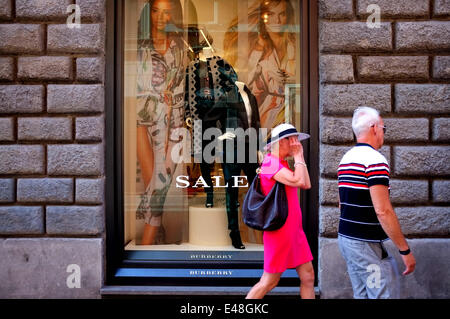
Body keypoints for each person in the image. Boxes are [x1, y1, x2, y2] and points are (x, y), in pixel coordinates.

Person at [337, 106, 416, 299]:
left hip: (347, 239)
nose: (383, 133)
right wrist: (404, 250)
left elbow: (342, 204)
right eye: (383, 128)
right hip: (366, 244)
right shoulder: (375, 161)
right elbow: (383, 211)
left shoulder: (345, 159)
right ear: (374, 128)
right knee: (382, 294)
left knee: (362, 294)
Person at [135, 0, 186, 245]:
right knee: (155, 186)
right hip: (145, 120)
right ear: (149, 13)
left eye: (166, 12)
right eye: (156, 11)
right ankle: (156, 236)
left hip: (175, 123)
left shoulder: (179, 48)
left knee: (160, 183)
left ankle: (145, 247)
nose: (160, 17)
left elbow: (181, 90)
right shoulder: (137, 47)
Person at [246, 123, 315, 299]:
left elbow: (306, 184)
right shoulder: (269, 163)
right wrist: (299, 155)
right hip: (280, 232)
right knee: (269, 282)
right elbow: (298, 181)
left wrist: (299, 158)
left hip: (294, 232)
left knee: (308, 277)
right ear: (282, 141)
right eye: (293, 139)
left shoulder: (282, 163)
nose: (296, 143)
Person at [224, 0, 297, 129]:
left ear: (288, 16)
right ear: (264, 18)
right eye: (271, 14)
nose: (277, 20)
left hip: (292, 115)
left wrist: (292, 81)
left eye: (282, 14)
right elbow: (243, 85)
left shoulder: (295, 46)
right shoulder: (257, 50)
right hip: (265, 116)